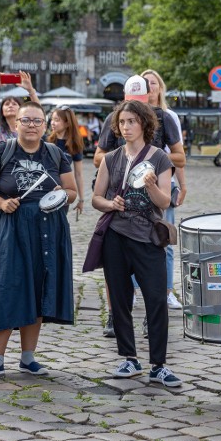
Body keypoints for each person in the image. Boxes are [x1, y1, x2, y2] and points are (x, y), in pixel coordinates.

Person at [0, 102, 77, 378]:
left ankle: (28, 358)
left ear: (45, 126)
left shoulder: (55, 154)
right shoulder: (2, 151)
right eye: (26, 120)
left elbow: (72, 191)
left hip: (47, 228)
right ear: (15, 123)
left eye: (37, 121)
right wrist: (0, 202)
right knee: (5, 285)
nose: (32, 125)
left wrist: (60, 195)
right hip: (11, 227)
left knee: (37, 287)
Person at [92, 99, 181, 387]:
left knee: (156, 299)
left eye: (131, 121)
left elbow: (165, 202)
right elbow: (96, 198)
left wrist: (153, 185)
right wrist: (110, 203)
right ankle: (129, 358)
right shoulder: (110, 158)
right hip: (116, 236)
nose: (126, 127)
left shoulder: (160, 158)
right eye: (122, 122)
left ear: (143, 123)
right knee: (119, 299)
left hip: (147, 236)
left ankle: (159, 365)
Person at [142, 69, 187, 310]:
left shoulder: (169, 117)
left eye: (153, 84)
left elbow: (178, 156)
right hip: (133, 188)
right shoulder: (129, 116)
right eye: (144, 84)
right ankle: (134, 290)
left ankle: (167, 290)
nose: (149, 88)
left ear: (160, 88)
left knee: (165, 237)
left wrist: (182, 184)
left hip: (163, 184)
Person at [47, 106, 85, 216]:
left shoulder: (74, 144)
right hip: (44, 189)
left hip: (62, 192)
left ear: (67, 123)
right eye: (52, 119)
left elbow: (78, 174)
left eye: (57, 120)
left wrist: (81, 199)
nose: (53, 123)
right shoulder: (46, 140)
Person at [0, 71, 40, 144]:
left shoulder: (28, 127)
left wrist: (30, 90)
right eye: (7, 104)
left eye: (14, 104)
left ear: (21, 110)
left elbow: (39, 113)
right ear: (2, 111)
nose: (10, 105)